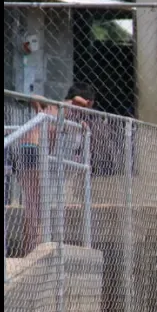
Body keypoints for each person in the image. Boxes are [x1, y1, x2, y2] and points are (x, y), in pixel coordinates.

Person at [13, 84, 95, 256]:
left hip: (29, 151)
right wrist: (82, 104)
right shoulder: (63, 107)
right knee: (35, 207)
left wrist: (81, 124)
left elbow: (36, 98)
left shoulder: (56, 112)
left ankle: (32, 249)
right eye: (88, 106)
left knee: (35, 204)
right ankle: (31, 251)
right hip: (32, 150)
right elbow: (39, 97)